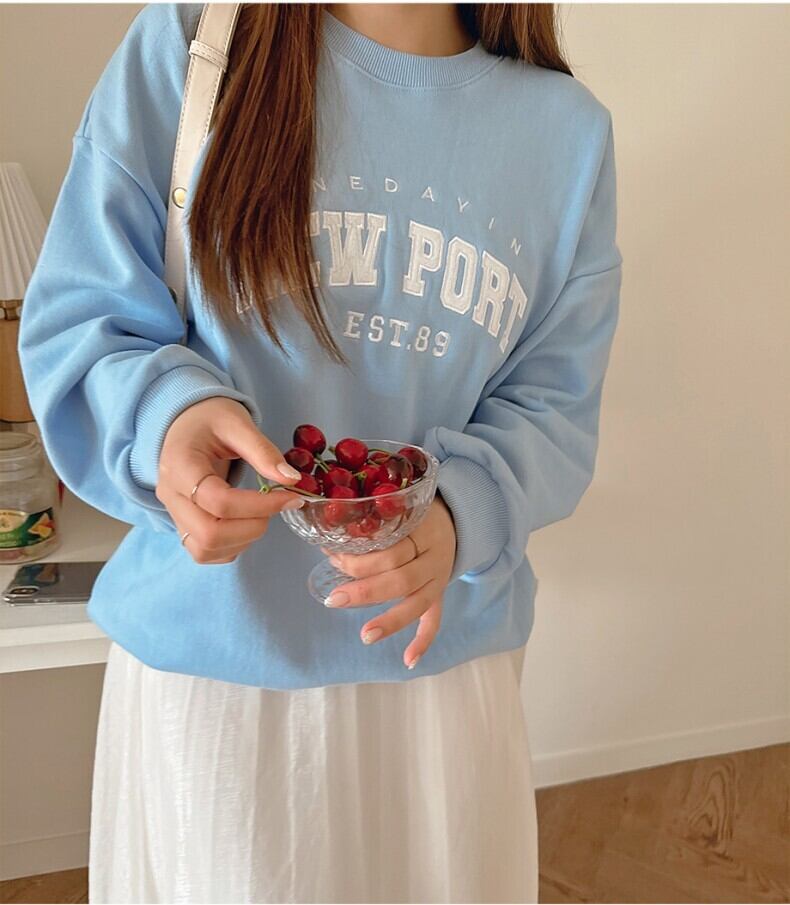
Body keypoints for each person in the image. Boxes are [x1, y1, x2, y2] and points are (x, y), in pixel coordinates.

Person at [18, 3, 623, 902]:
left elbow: (554, 408)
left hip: (438, 690)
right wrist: (168, 421)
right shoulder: (192, 47)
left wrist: (458, 512)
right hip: (211, 687)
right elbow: (81, 321)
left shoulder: (567, 135)